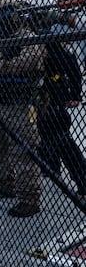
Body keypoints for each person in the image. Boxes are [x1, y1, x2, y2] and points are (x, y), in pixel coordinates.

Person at [0, 0, 48, 217]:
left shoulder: (28, 38)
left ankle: (29, 199)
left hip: (19, 102)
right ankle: (5, 185)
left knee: (23, 152)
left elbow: (28, 62)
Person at [37, 32, 86, 196]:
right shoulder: (48, 40)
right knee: (47, 135)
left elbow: (72, 66)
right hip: (47, 95)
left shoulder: (49, 40)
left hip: (51, 95)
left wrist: (75, 94)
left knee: (59, 136)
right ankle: (52, 166)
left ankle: (82, 177)